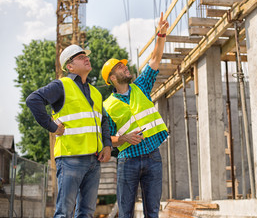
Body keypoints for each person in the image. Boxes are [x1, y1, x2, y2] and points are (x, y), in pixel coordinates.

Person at [26, 44, 112, 217]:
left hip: (94, 160)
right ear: (69, 66)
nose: (86, 58)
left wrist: (107, 145)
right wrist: (52, 127)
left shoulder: (96, 92)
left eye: (86, 56)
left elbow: (103, 120)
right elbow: (33, 100)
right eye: (81, 57)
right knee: (64, 212)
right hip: (70, 158)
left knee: (87, 212)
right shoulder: (61, 85)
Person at [101, 12, 169, 218]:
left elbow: (155, 58)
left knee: (153, 213)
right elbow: (106, 140)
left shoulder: (141, 86)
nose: (125, 66)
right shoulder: (107, 106)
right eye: (120, 66)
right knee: (125, 214)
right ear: (112, 77)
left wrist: (161, 35)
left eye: (124, 64)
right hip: (128, 161)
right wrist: (123, 139)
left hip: (152, 157)